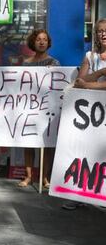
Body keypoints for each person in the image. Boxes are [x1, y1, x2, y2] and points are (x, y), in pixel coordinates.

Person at [62, 18, 106, 210]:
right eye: (99, 31)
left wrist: (90, 84)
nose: (103, 34)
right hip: (90, 115)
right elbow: (80, 81)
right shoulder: (90, 55)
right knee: (85, 153)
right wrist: (101, 72)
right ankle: (79, 194)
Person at [17, 29, 60, 188]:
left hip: (47, 108)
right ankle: (28, 177)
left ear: (48, 43)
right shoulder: (26, 63)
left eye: (44, 39)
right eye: (38, 39)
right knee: (29, 143)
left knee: (46, 144)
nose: (41, 42)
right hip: (29, 107)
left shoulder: (54, 63)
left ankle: (44, 177)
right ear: (33, 43)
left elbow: (57, 85)